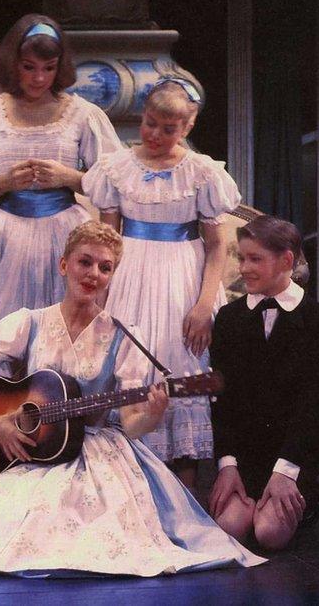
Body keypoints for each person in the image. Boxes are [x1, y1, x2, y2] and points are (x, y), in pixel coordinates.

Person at [0, 222, 264, 576]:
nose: (93, 274)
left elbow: (132, 424)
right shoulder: (28, 323)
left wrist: (153, 414)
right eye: (85, 262)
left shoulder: (122, 335)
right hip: (35, 449)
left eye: (105, 267)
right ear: (64, 265)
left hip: (98, 448)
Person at [83, 78, 241, 497]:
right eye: (150, 124)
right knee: (130, 372)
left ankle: (182, 497)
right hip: (130, 279)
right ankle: (131, 492)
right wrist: (99, 299)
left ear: (186, 128)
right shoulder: (117, 168)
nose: (155, 135)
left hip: (181, 283)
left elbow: (217, 245)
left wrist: (205, 305)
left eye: (168, 129)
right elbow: (106, 240)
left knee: (179, 369)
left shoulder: (202, 173)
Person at [0, 13, 123, 321]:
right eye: (28, 67)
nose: (39, 78)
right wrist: (4, 182)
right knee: (4, 328)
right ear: (13, 63)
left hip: (66, 232)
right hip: (5, 234)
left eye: (49, 68)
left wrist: (69, 177)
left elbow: (114, 185)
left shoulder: (83, 114)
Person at [207, 215, 319, 550]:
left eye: (255, 259)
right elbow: (223, 403)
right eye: (241, 258)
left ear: (286, 261)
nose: (244, 268)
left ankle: (303, 499)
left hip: (290, 458)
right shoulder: (229, 319)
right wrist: (227, 466)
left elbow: (310, 405)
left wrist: (285, 472)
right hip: (244, 458)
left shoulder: (317, 320)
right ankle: (250, 501)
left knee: (269, 534)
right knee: (230, 528)